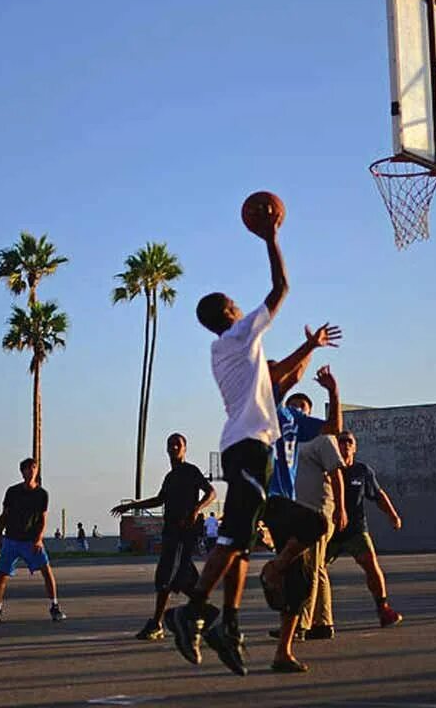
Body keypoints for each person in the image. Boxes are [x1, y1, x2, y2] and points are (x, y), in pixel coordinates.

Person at [164, 206, 288, 677]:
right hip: (248, 447)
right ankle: (191, 610)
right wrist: (270, 238)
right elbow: (280, 291)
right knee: (236, 536)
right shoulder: (238, 336)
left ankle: (229, 624)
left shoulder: (228, 348)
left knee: (242, 541)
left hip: (251, 446)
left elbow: (276, 375)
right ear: (232, 314)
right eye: (238, 304)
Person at [263, 367, 347, 673]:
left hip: (297, 505)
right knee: (308, 554)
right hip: (272, 499)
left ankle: (285, 649)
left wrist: (333, 392)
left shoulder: (297, 423)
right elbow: (279, 382)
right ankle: (274, 570)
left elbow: (333, 428)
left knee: (302, 577)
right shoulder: (265, 409)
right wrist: (309, 345)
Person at [111, 433, 217, 641]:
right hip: (171, 532)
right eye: (171, 445)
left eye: (178, 444)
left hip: (183, 534)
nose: (174, 447)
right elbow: (159, 500)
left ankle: (156, 624)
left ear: (185, 448)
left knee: (165, 579)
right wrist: (131, 506)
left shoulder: (191, 471)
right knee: (184, 580)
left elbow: (211, 492)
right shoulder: (170, 477)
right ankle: (208, 614)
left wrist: (196, 509)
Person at [326, 431, 405, 629]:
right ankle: (305, 619)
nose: (344, 446)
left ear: (355, 447)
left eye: (348, 442)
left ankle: (383, 609)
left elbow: (377, 495)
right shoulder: (326, 469)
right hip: (329, 531)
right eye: (340, 442)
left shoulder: (362, 471)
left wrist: (392, 515)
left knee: (371, 565)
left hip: (355, 530)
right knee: (312, 570)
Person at [0, 457, 66, 624]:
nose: (31, 472)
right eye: (27, 469)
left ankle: (54, 606)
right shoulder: (12, 492)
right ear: (22, 472)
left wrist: (38, 539)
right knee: (2, 574)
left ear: (36, 471)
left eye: (33, 468)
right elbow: (4, 515)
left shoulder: (41, 494)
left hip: (31, 541)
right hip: (11, 539)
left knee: (46, 570)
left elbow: (42, 519)